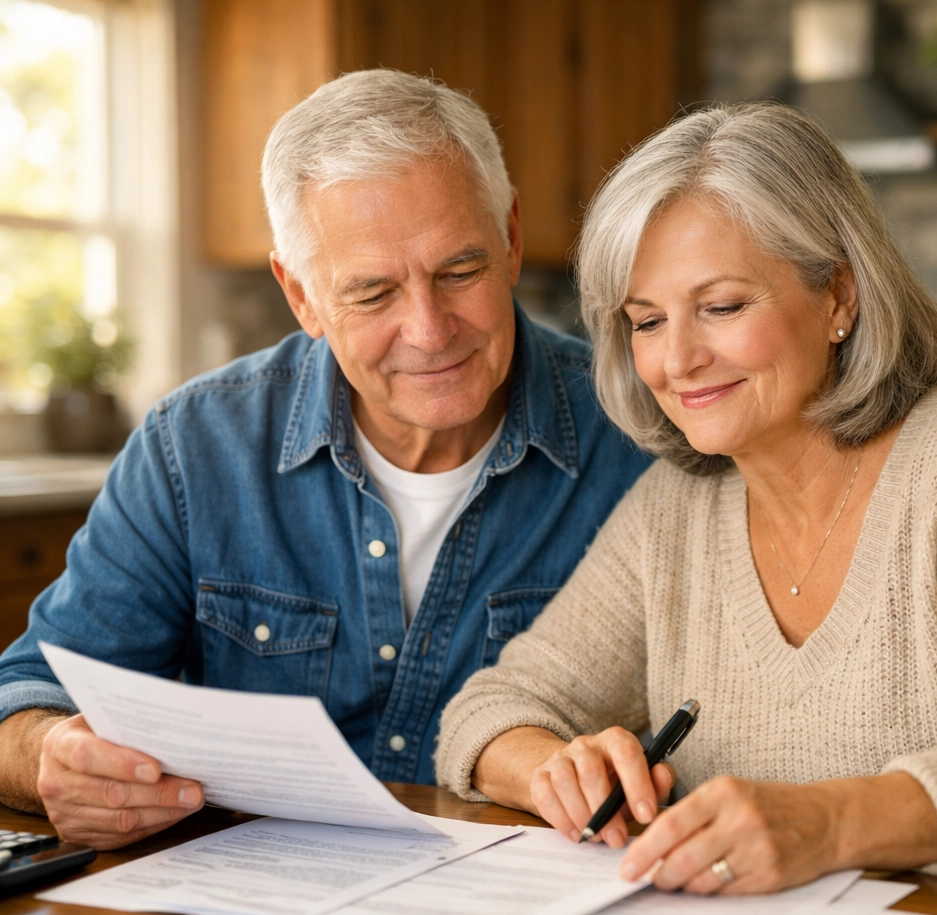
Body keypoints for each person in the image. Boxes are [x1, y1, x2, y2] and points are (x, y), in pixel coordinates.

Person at [0, 70, 650, 850]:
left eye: (460, 271)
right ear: (300, 294)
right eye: (373, 293)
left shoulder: (642, 438)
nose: (429, 329)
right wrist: (51, 759)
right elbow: (25, 691)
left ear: (510, 238)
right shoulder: (196, 448)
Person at [437, 102, 937, 893]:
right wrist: (555, 767)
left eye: (722, 307)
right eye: (647, 321)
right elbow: (484, 715)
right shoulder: (675, 508)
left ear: (838, 298)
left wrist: (830, 823)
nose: (677, 360)